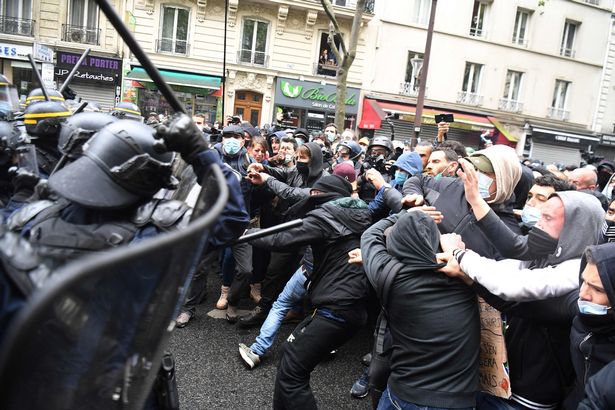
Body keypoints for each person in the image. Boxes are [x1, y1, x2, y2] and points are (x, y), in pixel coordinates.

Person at [246, 175, 372, 410]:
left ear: (323, 196)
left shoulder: (325, 217)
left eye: (315, 193)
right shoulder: (361, 214)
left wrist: (243, 235)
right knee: (288, 358)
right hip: (346, 305)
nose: (311, 196)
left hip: (337, 307)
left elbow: (280, 239)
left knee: (292, 372)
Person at [360, 211, 480, 410]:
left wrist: (402, 213)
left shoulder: (389, 275)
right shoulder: (464, 274)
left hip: (404, 395)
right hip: (456, 401)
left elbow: (369, 235)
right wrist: (459, 254)